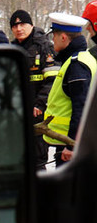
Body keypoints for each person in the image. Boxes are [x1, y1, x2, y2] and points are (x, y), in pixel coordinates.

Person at [43, 13, 97, 166]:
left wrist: (71, 145)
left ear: (63, 38)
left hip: (68, 145)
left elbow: (80, 107)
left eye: (53, 36)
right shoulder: (83, 58)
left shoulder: (76, 64)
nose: (52, 41)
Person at [9, 9, 56, 169]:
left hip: (37, 113)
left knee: (37, 160)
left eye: (22, 24)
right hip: (17, 114)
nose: (19, 29)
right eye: (15, 26)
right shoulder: (11, 48)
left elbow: (52, 81)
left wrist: (40, 104)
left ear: (31, 25)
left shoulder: (44, 47)